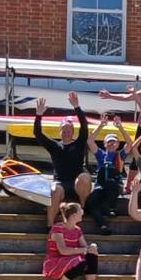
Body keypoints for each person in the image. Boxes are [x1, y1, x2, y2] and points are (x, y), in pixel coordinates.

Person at [33, 93, 91, 229]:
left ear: (73, 132)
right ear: (60, 132)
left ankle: (83, 207)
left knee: (85, 177)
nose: (66, 132)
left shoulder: (79, 143)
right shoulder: (54, 146)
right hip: (61, 184)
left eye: (69, 130)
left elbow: (84, 126)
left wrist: (77, 107)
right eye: (64, 130)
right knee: (55, 189)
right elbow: (38, 134)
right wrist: (38, 115)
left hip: (77, 185)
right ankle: (50, 226)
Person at [45, 202, 100, 280]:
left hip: (72, 258)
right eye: (80, 211)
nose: (83, 212)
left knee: (91, 256)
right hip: (56, 260)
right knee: (80, 262)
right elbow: (63, 250)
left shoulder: (77, 229)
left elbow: (84, 248)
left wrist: (91, 248)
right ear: (74, 215)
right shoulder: (58, 228)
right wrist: (84, 250)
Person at [87, 119, 126, 235]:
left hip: (115, 186)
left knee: (110, 183)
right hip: (101, 186)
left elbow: (130, 143)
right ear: (104, 144)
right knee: (90, 204)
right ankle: (103, 225)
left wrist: (120, 127)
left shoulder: (120, 155)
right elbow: (90, 141)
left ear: (118, 144)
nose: (112, 144)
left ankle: (112, 208)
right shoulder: (101, 154)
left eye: (114, 142)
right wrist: (101, 125)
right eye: (109, 142)